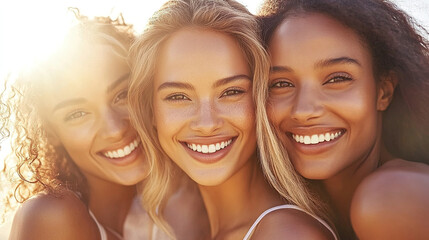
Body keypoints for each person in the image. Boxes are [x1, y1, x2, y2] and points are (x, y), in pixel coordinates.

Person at [128, 0, 337, 239]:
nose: (206, 124)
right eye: (178, 97)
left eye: (231, 92)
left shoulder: (287, 234)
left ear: (262, 98)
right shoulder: (171, 217)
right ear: (150, 111)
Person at [1, 9, 208, 240]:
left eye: (122, 95)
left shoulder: (180, 205)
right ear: (51, 133)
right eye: (78, 113)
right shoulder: (53, 215)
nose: (115, 129)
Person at [258, 0, 429, 239]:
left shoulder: (390, 197)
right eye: (281, 84)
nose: (304, 110)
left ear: (384, 91)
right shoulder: (287, 214)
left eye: (337, 79)